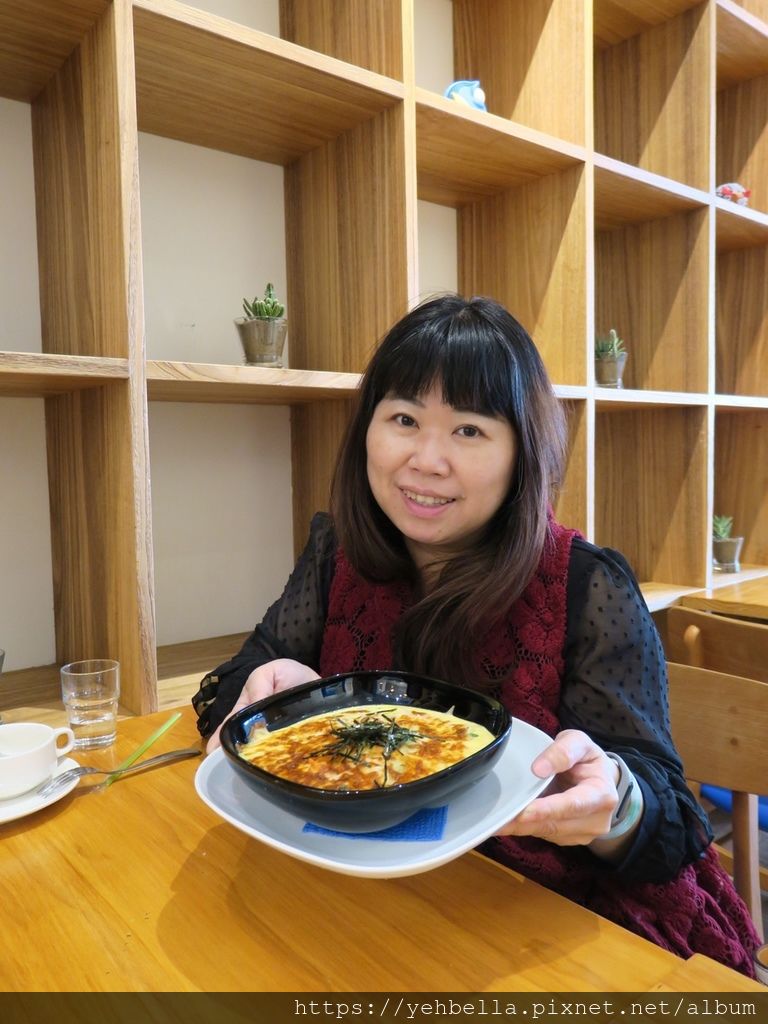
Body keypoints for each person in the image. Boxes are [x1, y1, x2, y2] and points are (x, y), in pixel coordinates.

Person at [192, 294, 760, 977]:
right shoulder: (337, 552)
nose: (427, 461)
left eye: (468, 430)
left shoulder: (587, 586)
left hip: (555, 928)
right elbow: (243, 676)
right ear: (367, 429)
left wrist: (613, 799)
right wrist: (266, 688)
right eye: (404, 419)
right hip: (363, 907)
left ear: (522, 453)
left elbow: (670, 818)